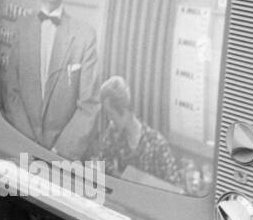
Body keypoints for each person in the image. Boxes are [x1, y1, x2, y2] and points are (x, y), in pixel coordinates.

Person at [0, 0, 100, 158]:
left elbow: (89, 106)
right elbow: (13, 93)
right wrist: (28, 146)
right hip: (22, 151)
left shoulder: (85, 36)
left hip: (63, 159)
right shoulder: (22, 28)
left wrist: (57, 153)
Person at [79, 75, 209, 193]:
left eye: (111, 114)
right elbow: (103, 160)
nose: (109, 119)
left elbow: (176, 189)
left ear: (124, 110)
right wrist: (119, 175)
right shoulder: (113, 132)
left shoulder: (156, 144)